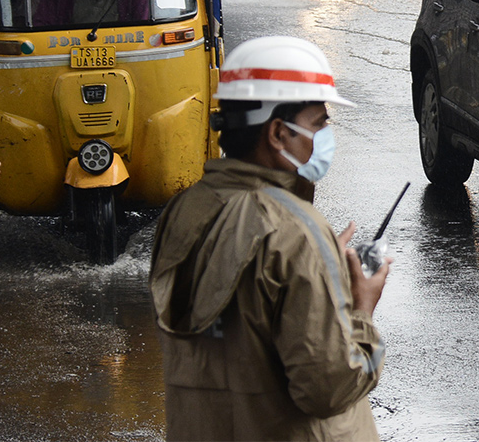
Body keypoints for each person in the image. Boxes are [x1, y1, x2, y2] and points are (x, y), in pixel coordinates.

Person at [150, 36, 387, 441]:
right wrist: (361, 310)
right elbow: (328, 388)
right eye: (318, 124)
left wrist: (323, 258)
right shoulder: (296, 232)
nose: (324, 136)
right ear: (278, 133)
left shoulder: (182, 212)